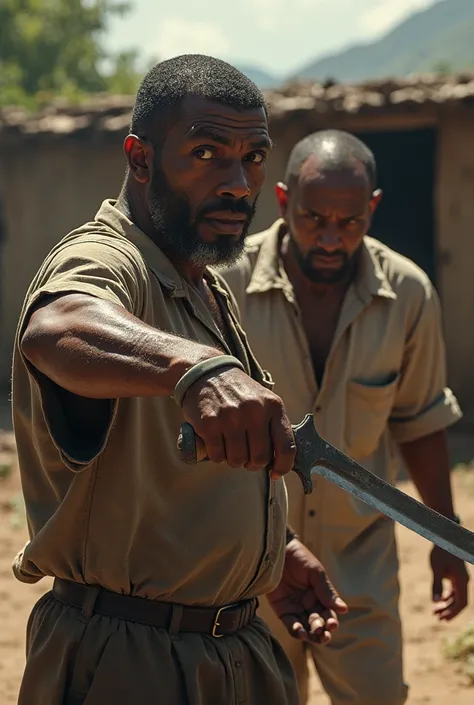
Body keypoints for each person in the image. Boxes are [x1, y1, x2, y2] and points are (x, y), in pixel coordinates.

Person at [11, 56, 350, 705]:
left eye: (253, 157)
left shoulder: (203, 284)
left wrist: (272, 550)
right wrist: (195, 368)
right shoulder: (109, 257)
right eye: (206, 153)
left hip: (239, 645)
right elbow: (57, 322)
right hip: (129, 659)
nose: (237, 182)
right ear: (140, 158)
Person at [220, 129, 469, 705]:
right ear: (282, 202)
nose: (331, 238)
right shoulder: (224, 286)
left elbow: (421, 422)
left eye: (350, 222)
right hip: (251, 566)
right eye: (313, 219)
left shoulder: (408, 294)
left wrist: (445, 539)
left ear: (372, 208)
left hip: (361, 570)